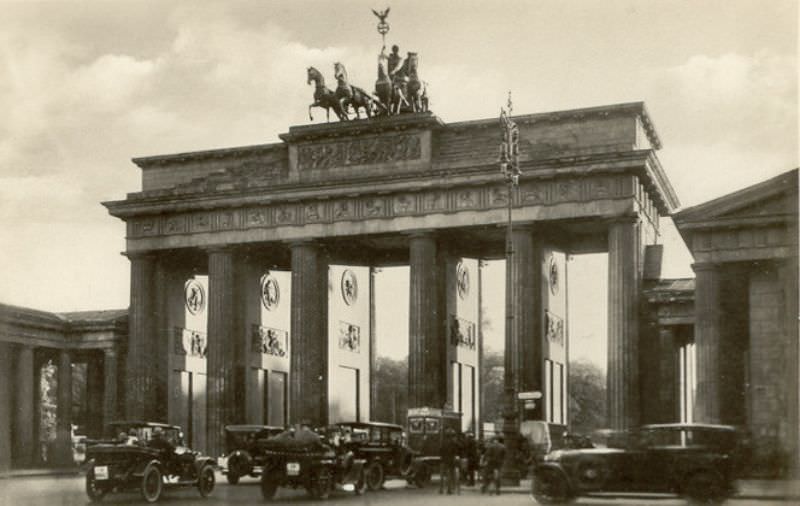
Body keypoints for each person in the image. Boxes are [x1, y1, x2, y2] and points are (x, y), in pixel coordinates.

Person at [439, 428, 460, 495]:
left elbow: (440, 451)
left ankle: (441, 489)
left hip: (443, 460)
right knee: (450, 475)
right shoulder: (453, 443)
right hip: (451, 461)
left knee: (442, 475)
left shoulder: (443, 442)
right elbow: (456, 451)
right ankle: (449, 490)